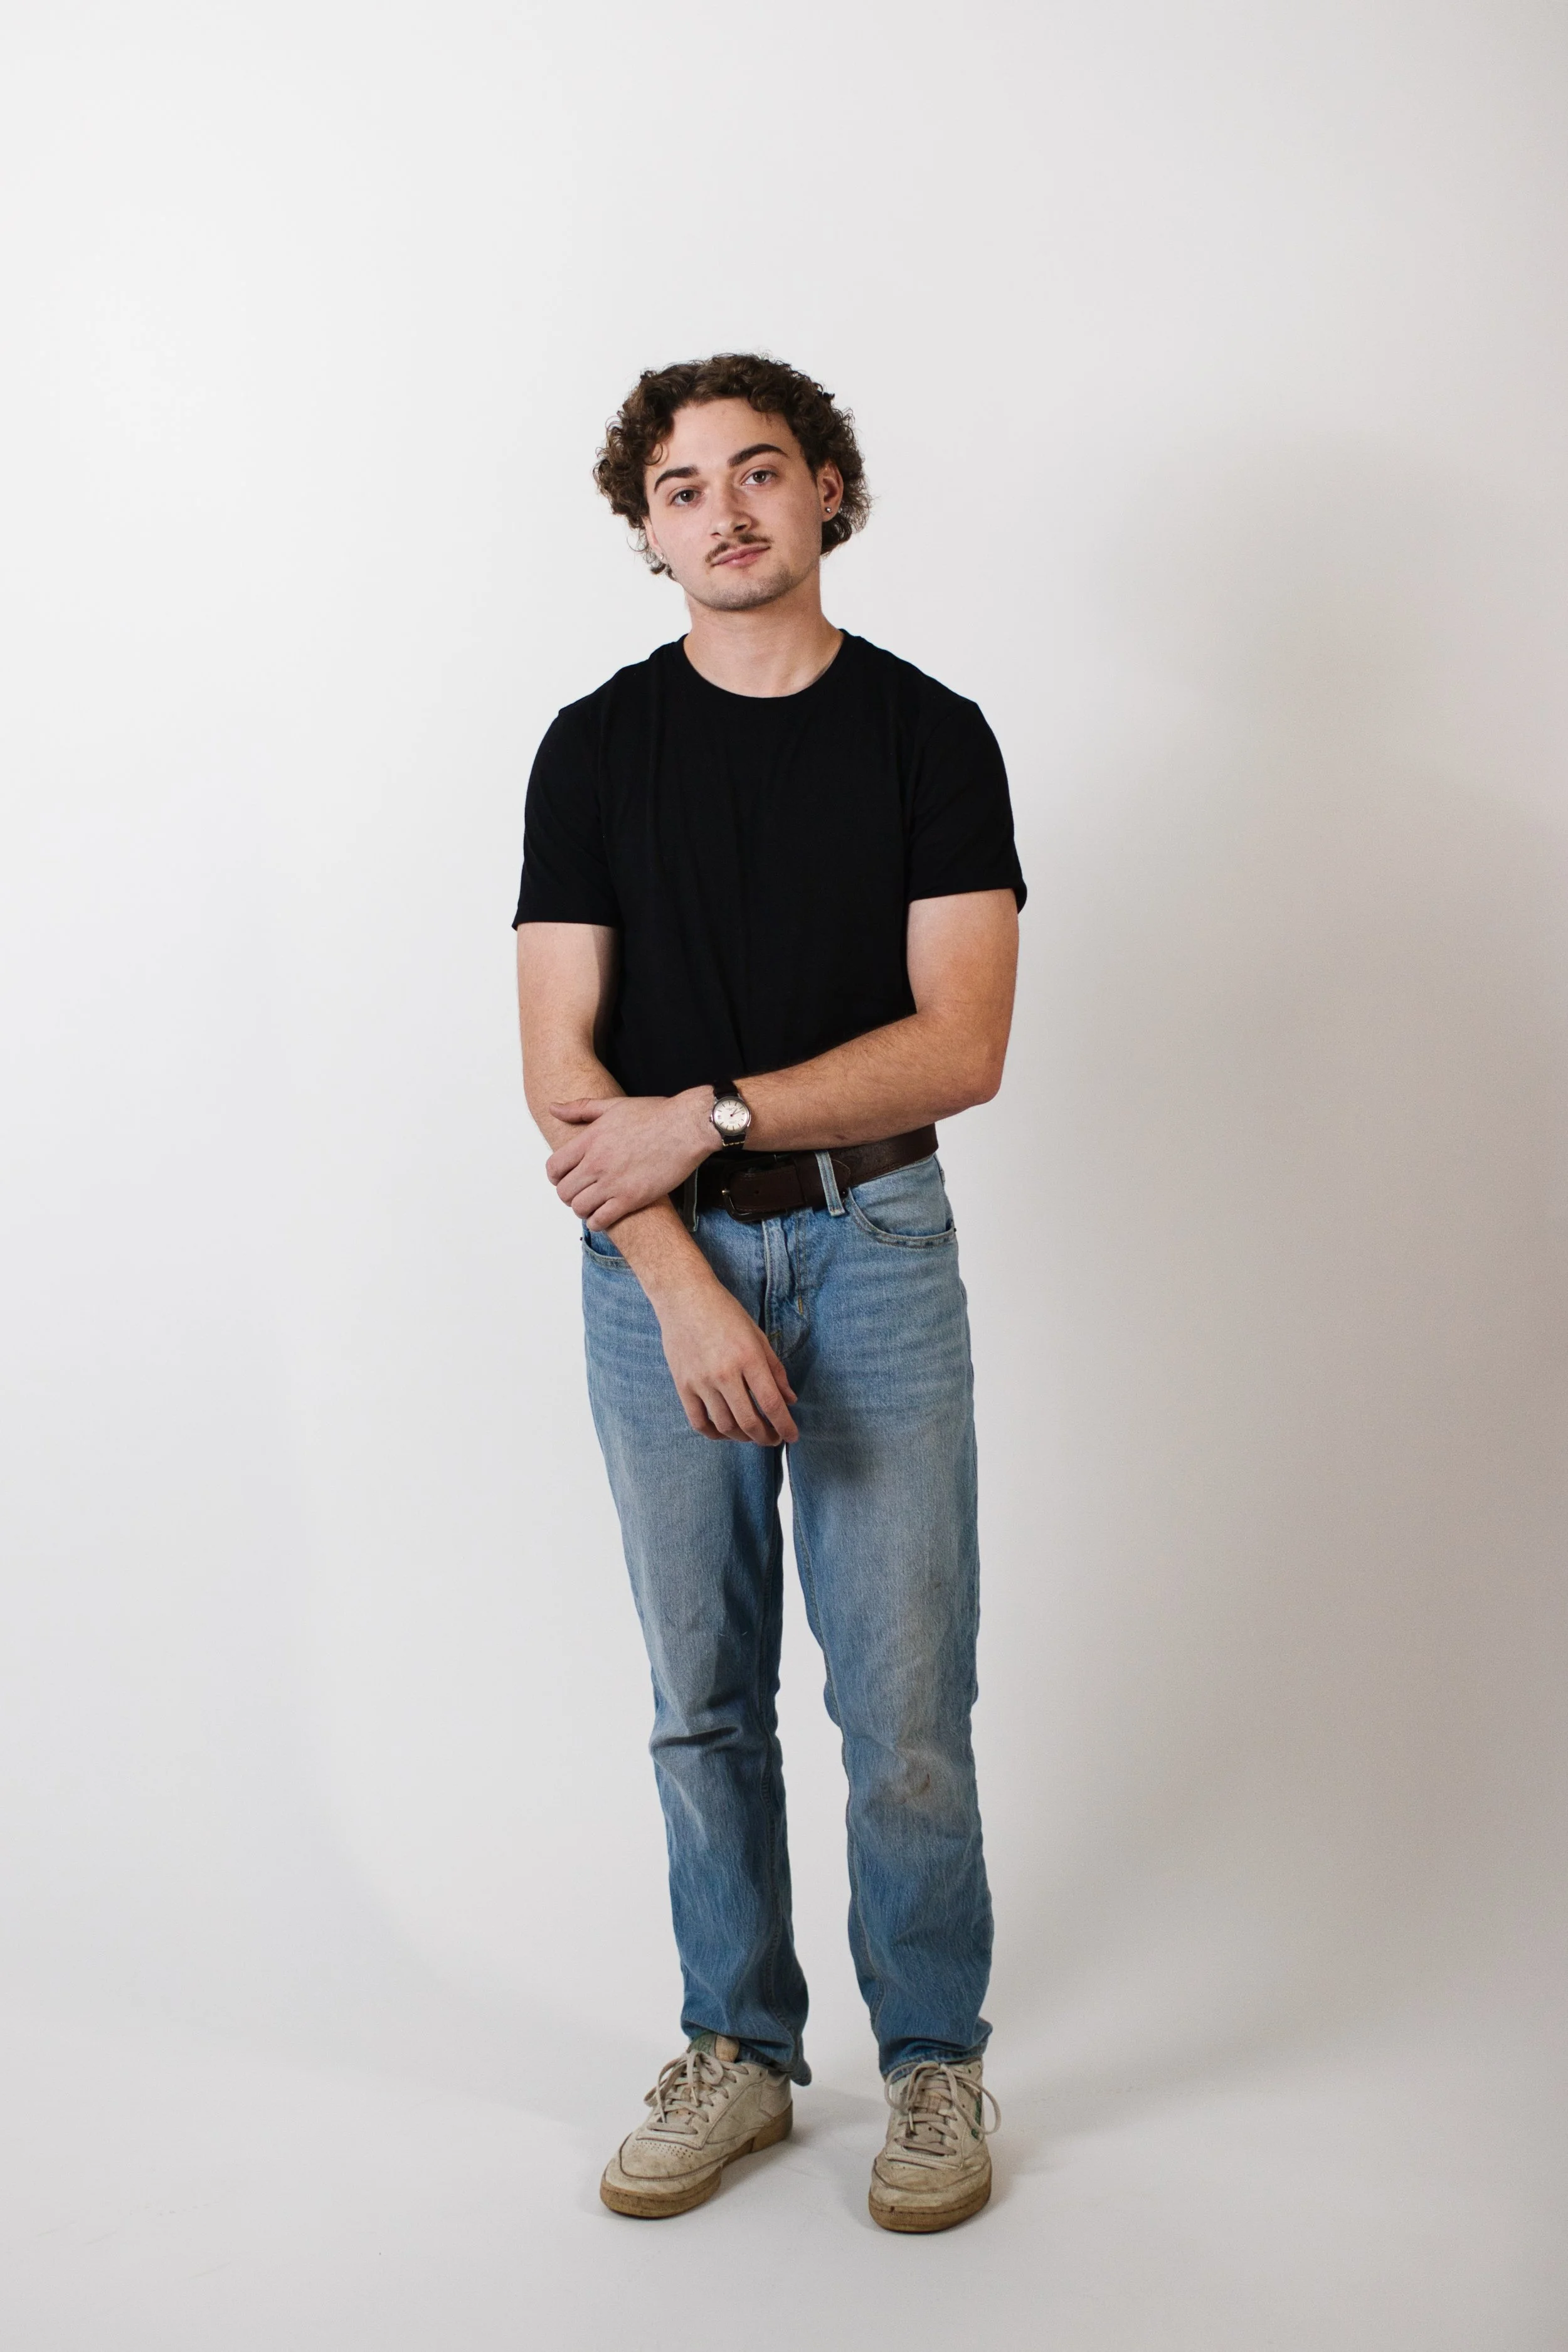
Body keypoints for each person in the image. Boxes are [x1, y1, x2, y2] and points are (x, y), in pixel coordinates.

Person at [513, 354, 1023, 2233]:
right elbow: (560, 1069)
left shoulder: (926, 735)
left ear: (827, 495)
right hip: (654, 1271)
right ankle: (734, 2046)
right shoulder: (591, 745)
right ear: (643, 532)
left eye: (757, 473)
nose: (721, 509)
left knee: (901, 1696)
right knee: (700, 1693)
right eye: (677, 487)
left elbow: (959, 1043)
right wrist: (678, 1272)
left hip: (878, 1246)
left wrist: (714, 1112)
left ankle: (931, 2063)